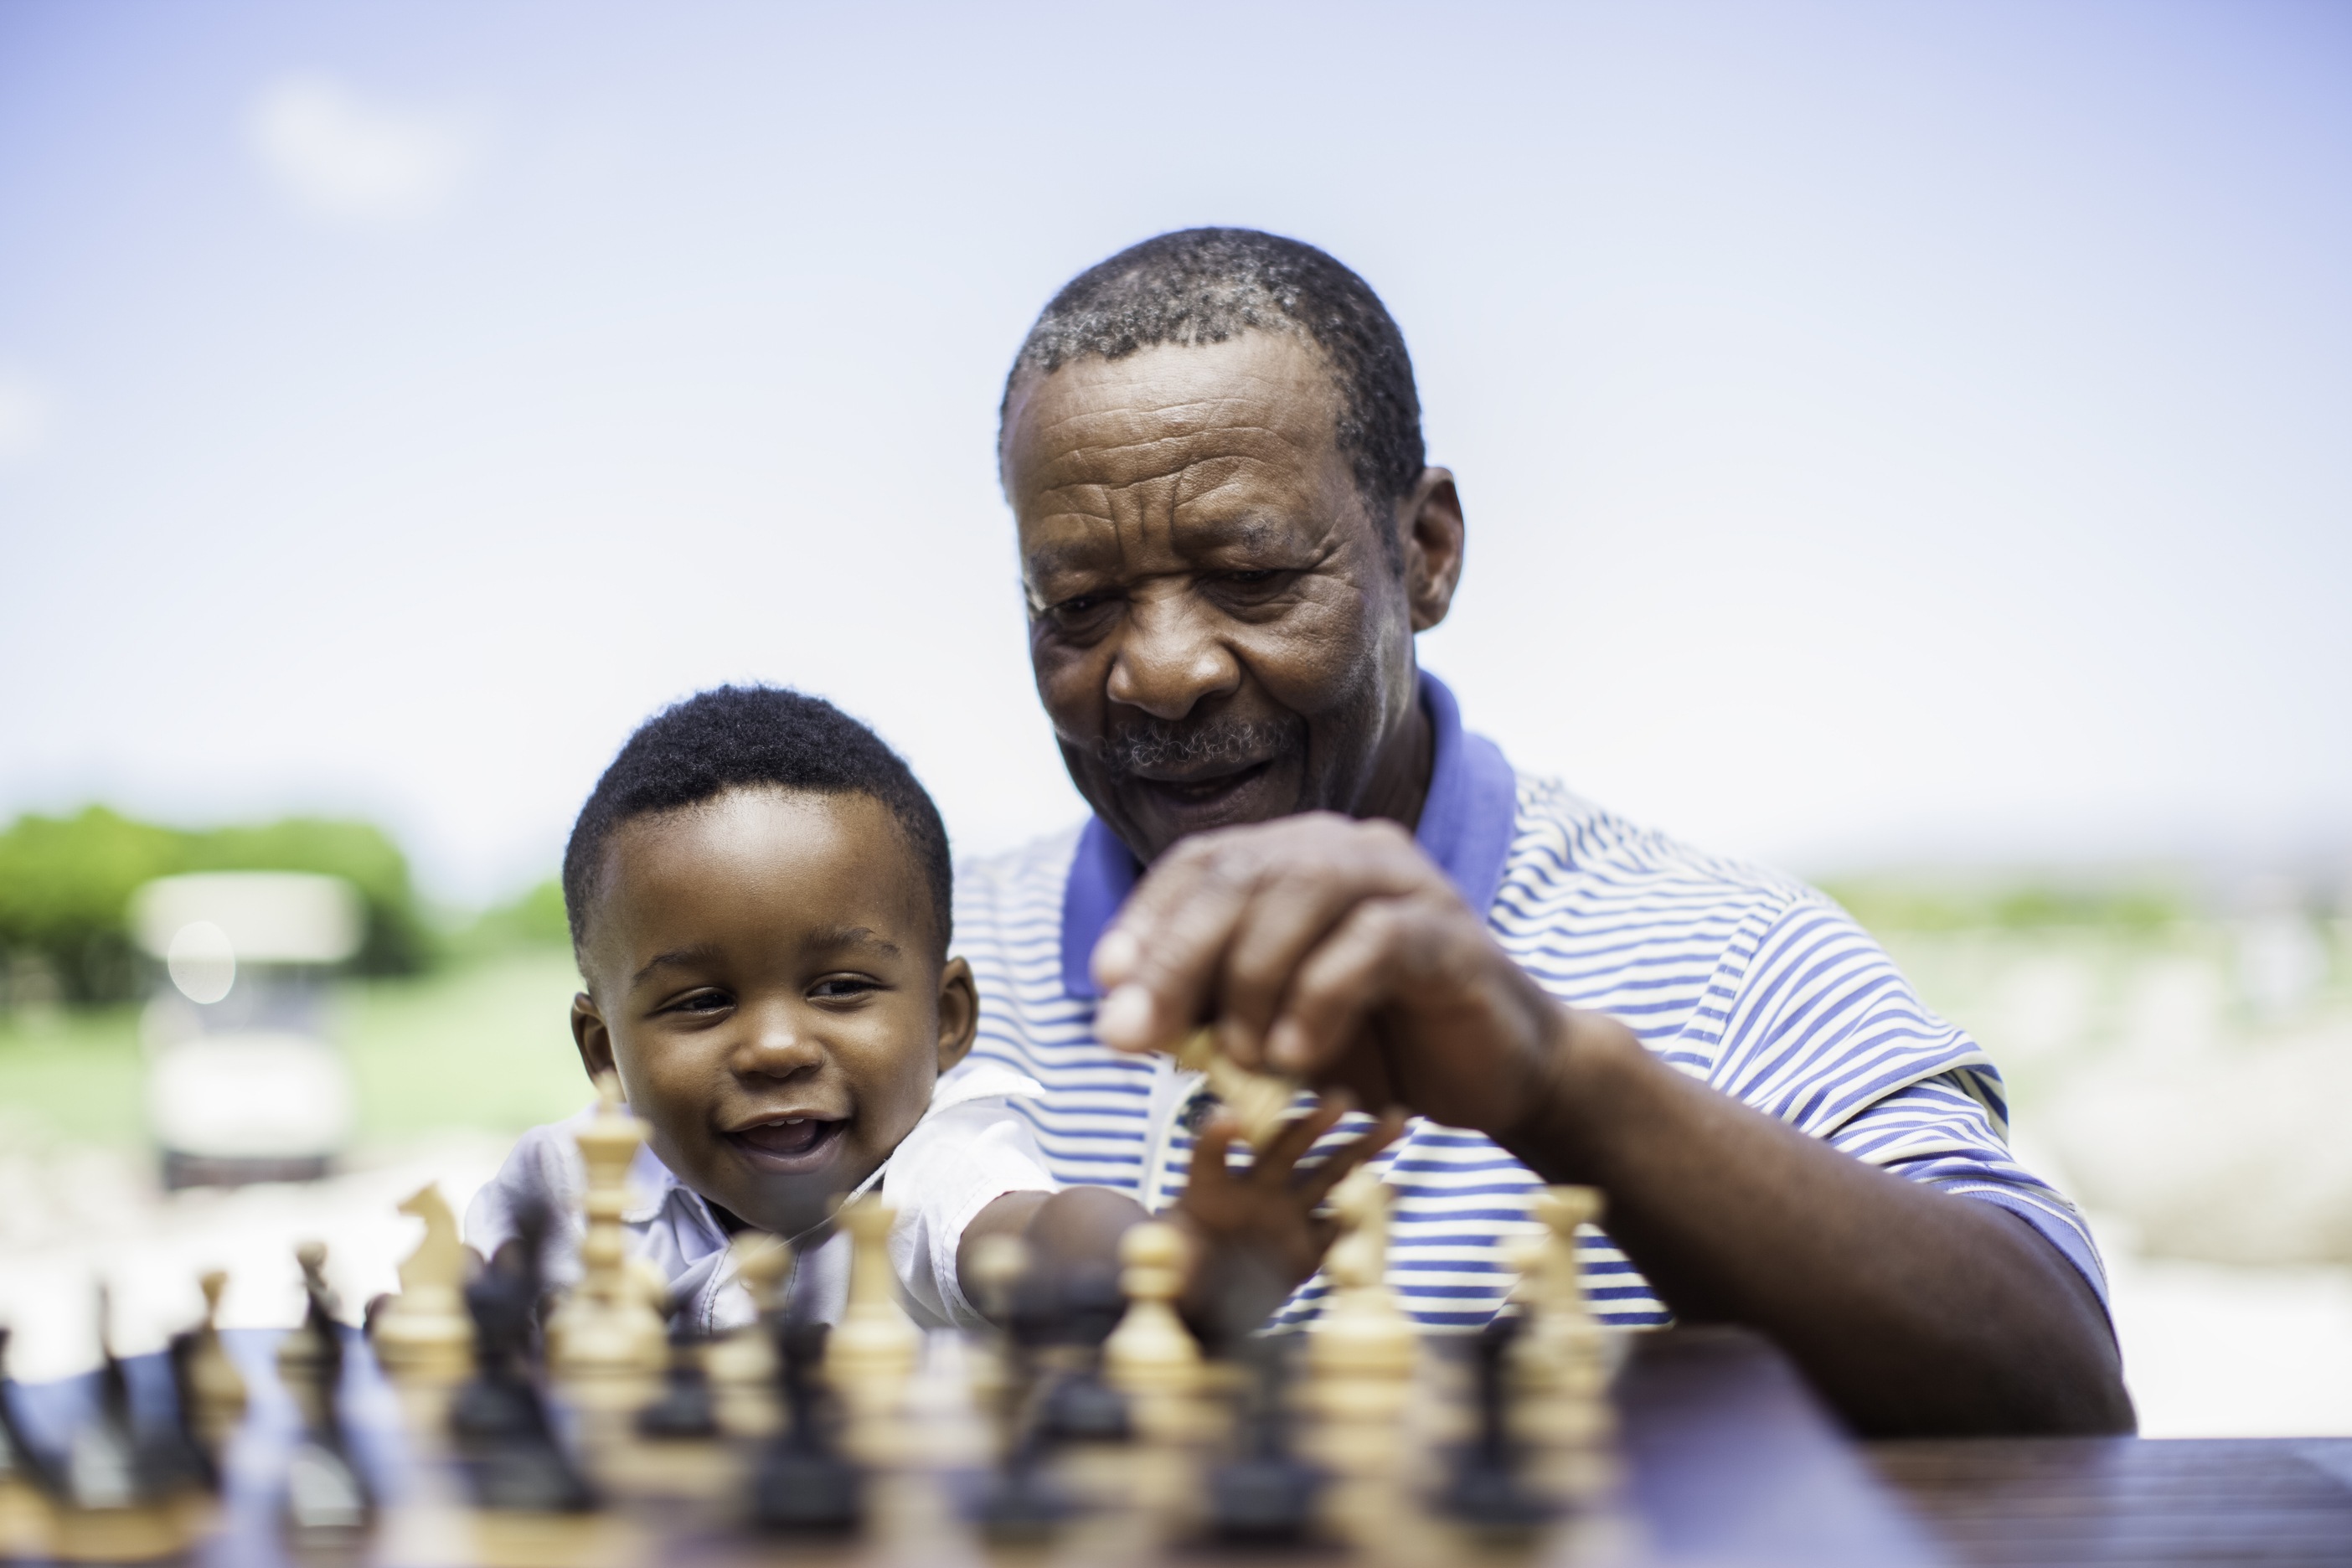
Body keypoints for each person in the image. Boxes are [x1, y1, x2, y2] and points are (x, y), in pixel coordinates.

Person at [957, 227, 2135, 1436]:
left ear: (1425, 553)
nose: (1161, 672)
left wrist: (1561, 1087)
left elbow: (2061, 1391)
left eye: (1251, 576)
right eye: (1080, 606)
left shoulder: (1727, 965)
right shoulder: (913, 981)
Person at [464, 684, 1393, 1334]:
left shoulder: (933, 1176)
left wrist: (1170, 1259)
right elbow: (469, 1320)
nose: (778, 1046)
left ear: (949, 1019)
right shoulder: (558, 1182)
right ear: (604, 1052)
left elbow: (1038, 1235)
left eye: (841, 987)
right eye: (702, 1003)